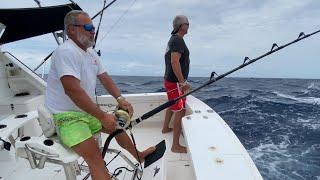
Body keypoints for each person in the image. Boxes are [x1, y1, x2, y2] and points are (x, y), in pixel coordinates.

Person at [45, 10, 155, 180]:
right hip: (67, 117)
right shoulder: (66, 52)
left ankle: (138, 155)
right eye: (88, 27)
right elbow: (72, 90)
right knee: (95, 157)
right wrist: (102, 115)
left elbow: (105, 78)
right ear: (71, 29)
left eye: (93, 27)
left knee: (117, 128)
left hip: (85, 112)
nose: (92, 30)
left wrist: (120, 98)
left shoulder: (90, 52)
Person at [162, 15, 191, 153]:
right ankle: (175, 145)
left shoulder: (174, 40)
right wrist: (183, 82)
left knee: (171, 104)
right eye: (187, 23)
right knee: (180, 110)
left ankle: (165, 127)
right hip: (175, 83)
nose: (189, 25)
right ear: (181, 26)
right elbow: (175, 62)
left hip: (171, 81)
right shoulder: (178, 40)